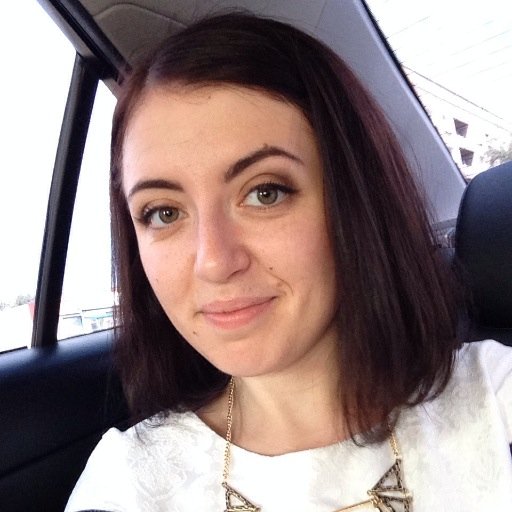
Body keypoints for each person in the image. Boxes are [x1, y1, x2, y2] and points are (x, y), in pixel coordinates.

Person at [65, 12, 512, 512]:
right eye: (164, 213)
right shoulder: (127, 485)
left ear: (354, 200)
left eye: (265, 192)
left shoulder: (494, 399)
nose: (214, 262)